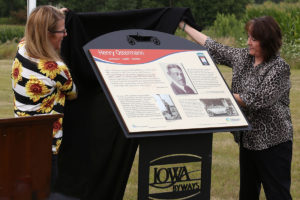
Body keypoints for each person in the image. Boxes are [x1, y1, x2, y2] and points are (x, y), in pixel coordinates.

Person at [179, 16, 293, 200]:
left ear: (268, 41)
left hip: (274, 144)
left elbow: (257, 99)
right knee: (247, 194)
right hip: (248, 140)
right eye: (248, 37)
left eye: (253, 39)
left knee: (277, 194)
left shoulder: (279, 68)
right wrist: (183, 26)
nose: (248, 42)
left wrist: (216, 93)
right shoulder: (243, 57)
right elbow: (213, 47)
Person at [11, 5, 77, 191]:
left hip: (20, 143)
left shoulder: (22, 49)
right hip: (45, 151)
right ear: (47, 34)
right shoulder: (56, 69)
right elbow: (73, 93)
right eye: (62, 31)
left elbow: (34, 33)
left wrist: (59, 15)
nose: (65, 34)